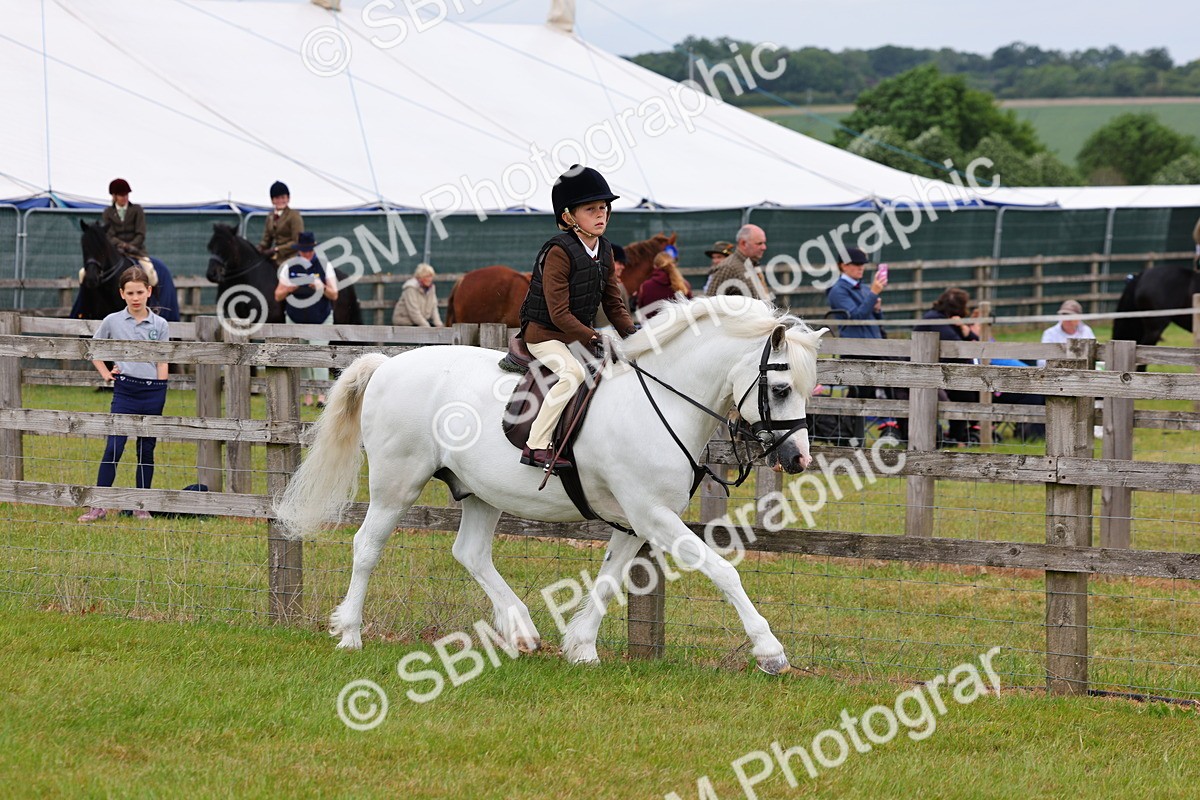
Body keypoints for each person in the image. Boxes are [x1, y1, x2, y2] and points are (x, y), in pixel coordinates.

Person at [517, 165, 637, 471]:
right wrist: (596, 338)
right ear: (569, 217)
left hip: (574, 335)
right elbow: (558, 314)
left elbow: (613, 303)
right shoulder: (559, 252)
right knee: (571, 374)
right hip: (544, 335)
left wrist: (635, 337)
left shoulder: (606, 249)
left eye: (604, 208)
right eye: (591, 209)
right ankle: (536, 446)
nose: (601, 215)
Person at [77, 266, 170, 522]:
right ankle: (100, 505)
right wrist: (106, 373)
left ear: (149, 292)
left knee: (146, 450)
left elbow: (163, 361)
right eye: (130, 292)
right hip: (125, 391)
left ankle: (141, 505)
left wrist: (160, 388)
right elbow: (93, 348)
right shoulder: (112, 321)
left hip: (153, 392)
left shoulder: (160, 324)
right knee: (113, 448)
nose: (136, 297)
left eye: (140, 292)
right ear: (122, 294)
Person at [825, 247, 904, 440]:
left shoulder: (861, 288)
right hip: (856, 349)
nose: (861, 268)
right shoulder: (837, 291)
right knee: (860, 395)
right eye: (856, 264)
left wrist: (876, 306)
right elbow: (856, 317)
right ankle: (849, 434)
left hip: (873, 345)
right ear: (843, 266)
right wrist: (873, 294)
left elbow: (873, 317)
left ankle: (882, 430)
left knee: (884, 389)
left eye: (862, 265)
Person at [915, 287, 979, 446]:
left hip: (941, 371)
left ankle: (961, 434)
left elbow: (973, 341)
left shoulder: (944, 319)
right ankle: (957, 437)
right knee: (964, 391)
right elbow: (958, 350)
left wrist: (964, 329)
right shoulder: (936, 320)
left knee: (965, 389)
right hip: (925, 374)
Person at [703, 224, 773, 301]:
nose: (764, 247)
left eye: (764, 243)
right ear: (743, 243)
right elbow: (710, 302)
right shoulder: (728, 267)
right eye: (759, 243)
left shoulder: (751, 264)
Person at [636, 250, 693, 318]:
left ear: (655, 266)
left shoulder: (645, 286)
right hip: (678, 327)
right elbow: (690, 309)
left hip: (653, 326)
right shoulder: (683, 285)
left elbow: (641, 312)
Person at [259, 181, 304, 266]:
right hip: (277, 257)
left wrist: (277, 249)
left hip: (292, 256)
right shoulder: (270, 216)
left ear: (288, 199)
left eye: (283, 197)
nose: (280, 200)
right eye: (277, 198)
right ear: (272, 200)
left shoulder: (294, 215)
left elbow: (297, 241)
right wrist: (259, 249)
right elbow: (266, 240)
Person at [101, 178, 147, 258]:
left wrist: (131, 246)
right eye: (121, 195)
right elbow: (109, 235)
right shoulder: (108, 212)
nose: (125, 197)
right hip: (115, 251)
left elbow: (141, 233)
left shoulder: (137, 210)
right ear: (114, 196)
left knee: (149, 268)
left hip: (136, 251)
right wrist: (122, 245)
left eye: (126, 194)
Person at [392, 263, 443, 327]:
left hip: (419, 323)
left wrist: (439, 325)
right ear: (420, 277)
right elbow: (413, 312)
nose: (430, 279)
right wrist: (427, 327)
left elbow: (434, 308)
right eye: (427, 276)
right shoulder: (410, 288)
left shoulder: (431, 288)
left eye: (431, 276)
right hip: (405, 323)